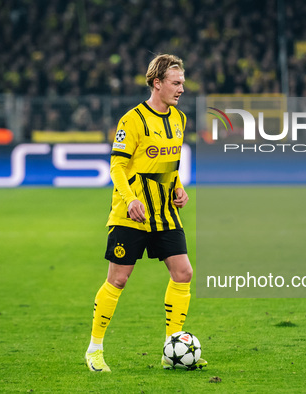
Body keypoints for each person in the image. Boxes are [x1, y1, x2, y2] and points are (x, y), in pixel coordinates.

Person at [85, 54, 206, 372]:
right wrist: (129, 200)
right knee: (118, 278)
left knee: (184, 273)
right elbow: (117, 165)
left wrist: (178, 187)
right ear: (157, 83)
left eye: (182, 83)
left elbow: (169, 165)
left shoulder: (179, 120)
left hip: (165, 214)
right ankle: (94, 349)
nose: (182, 89)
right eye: (176, 83)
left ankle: (171, 349)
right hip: (131, 215)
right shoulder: (133, 120)